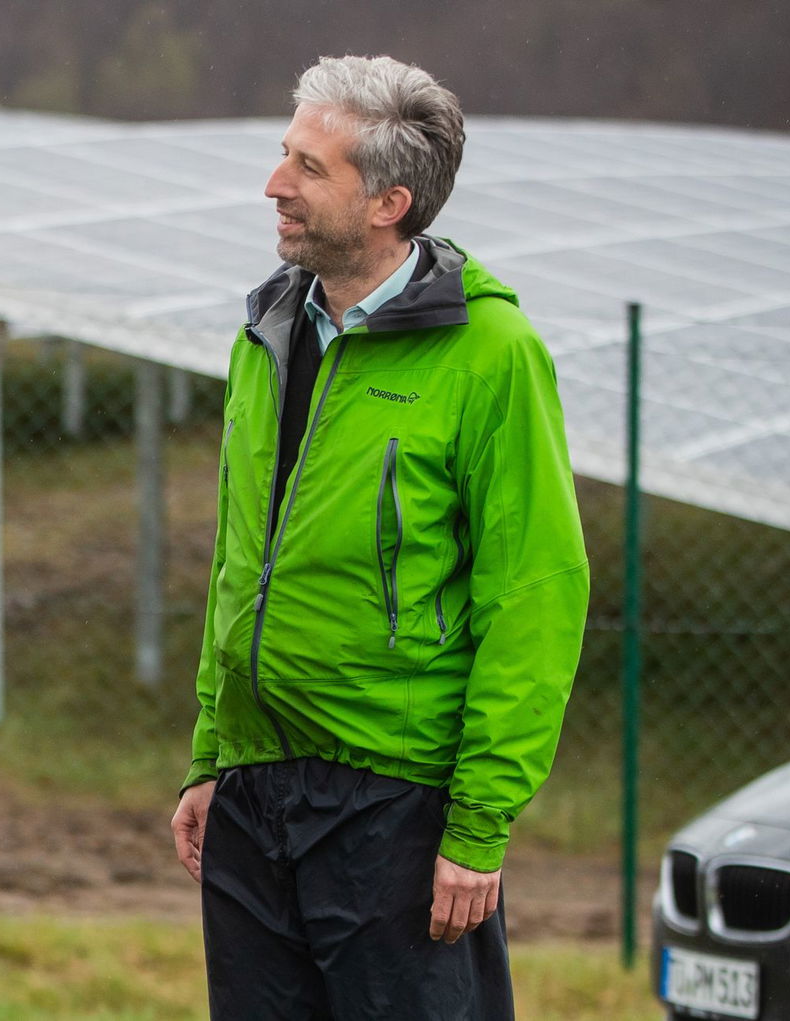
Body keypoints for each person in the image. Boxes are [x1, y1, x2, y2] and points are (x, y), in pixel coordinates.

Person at [170, 55, 589, 1019]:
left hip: (396, 808)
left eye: (309, 168)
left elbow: (536, 594)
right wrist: (211, 754)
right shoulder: (267, 334)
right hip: (256, 790)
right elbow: (244, 565)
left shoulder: (493, 354)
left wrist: (478, 825)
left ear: (390, 201)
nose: (275, 185)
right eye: (285, 156)